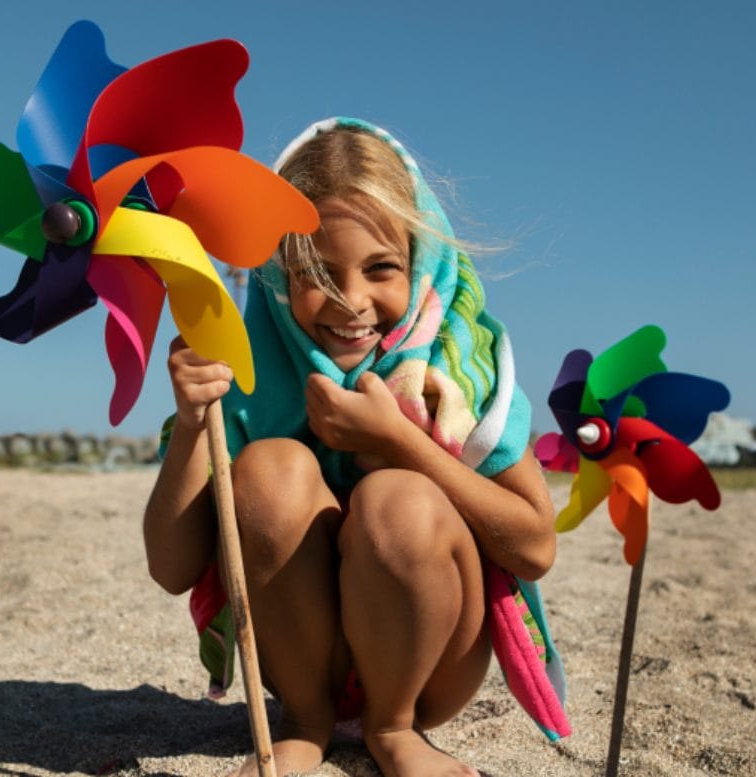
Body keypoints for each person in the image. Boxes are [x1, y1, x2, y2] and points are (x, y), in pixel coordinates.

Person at [144, 118, 567, 777]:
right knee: (269, 470)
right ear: (279, 274)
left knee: (398, 498)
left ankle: (392, 728)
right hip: (296, 661)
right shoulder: (241, 364)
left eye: (381, 268)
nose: (352, 301)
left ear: (421, 263)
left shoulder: (465, 369)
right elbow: (171, 568)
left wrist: (401, 440)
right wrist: (196, 418)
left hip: (430, 669)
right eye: (316, 270)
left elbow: (535, 545)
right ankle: (306, 724)